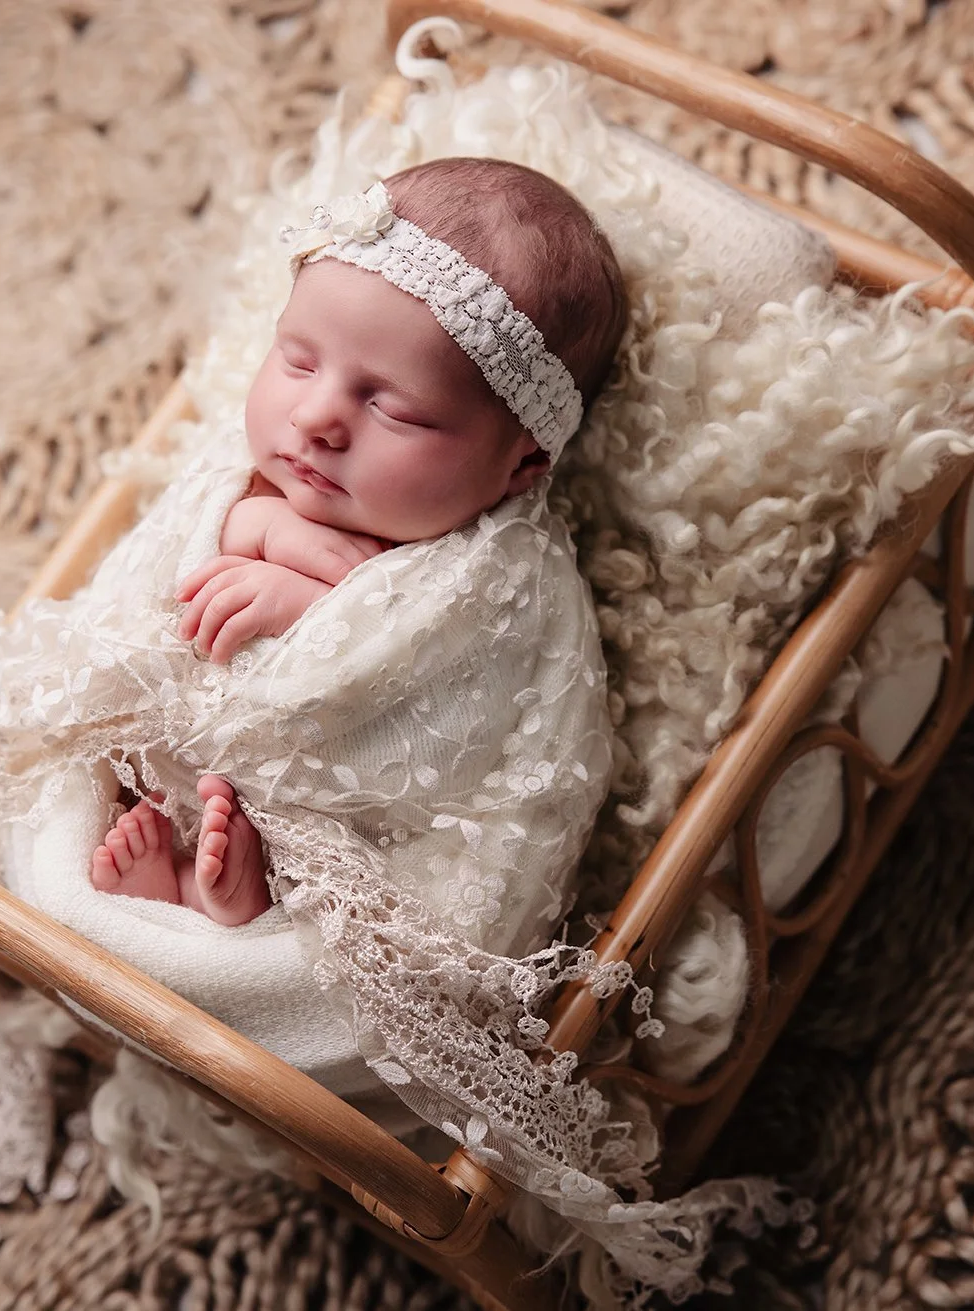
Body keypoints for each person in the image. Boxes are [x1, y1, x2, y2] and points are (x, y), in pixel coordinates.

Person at [79, 156, 628, 927]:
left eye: (395, 409)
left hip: (358, 843)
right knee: (90, 751)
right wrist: (246, 522)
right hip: (171, 766)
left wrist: (316, 610)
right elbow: (157, 560)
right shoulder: (253, 471)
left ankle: (249, 899)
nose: (315, 419)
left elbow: (457, 717)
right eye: (298, 360)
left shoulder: (500, 569)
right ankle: (182, 868)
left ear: (521, 464)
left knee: (345, 895)